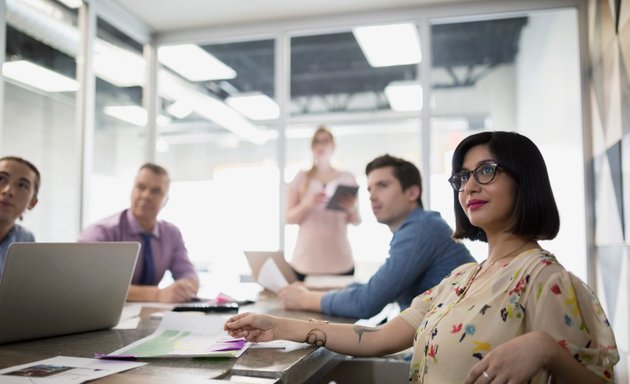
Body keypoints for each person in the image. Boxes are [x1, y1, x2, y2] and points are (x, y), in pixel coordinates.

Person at [225, 131, 619, 383]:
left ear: (525, 180)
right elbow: (377, 338)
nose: (469, 186)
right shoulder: (461, 278)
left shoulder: (543, 277)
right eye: (462, 177)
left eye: (486, 171)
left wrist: (547, 350)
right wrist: (277, 326)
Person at [279, 154, 474, 319]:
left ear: (412, 192)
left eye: (382, 185)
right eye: (370, 189)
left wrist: (304, 299)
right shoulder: (418, 227)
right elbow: (374, 288)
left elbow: (366, 303)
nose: (372, 196)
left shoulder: (421, 229)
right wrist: (313, 292)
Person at [79, 163, 198, 303]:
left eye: (156, 191)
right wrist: (156, 295)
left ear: (166, 200)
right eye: (141, 187)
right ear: (132, 190)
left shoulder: (172, 234)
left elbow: (188, 274)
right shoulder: (101, 233)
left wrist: (184, 288)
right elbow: (88, 282)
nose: (146, 195)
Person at [286, 125, 361, 280]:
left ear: (333, 145)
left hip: (340, 262)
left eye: (325, 141)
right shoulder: (301, 177)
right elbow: (288, 218)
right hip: (305, 263)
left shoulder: (347, 177)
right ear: (312, 147)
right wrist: (307, 204)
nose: (321, 146)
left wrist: (351, 209)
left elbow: (357, 221)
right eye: (317, 142)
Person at [0, 156, 39, 279]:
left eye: (22, 185)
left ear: (32, 203)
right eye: (1, 179)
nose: (8, 191)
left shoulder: (26, 239)